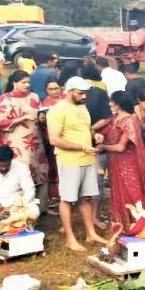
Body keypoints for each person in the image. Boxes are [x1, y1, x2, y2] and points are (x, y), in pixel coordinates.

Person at [47, 77, 107, 251]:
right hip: (69, 160)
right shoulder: (57, 110)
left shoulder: (82, 107)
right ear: (70, 91)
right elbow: (54, 139)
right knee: (67, 199)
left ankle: (91, 233)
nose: (84, 96)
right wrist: (81, 147)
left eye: (85, 93)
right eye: (80, 93)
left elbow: (85, 128)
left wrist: (94, 135)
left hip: (87, 158)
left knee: (86, 198)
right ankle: (70, 238)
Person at [0, 70, 48, 209]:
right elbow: (0, 123)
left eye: (28, 82)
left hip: (36, 140)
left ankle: (40, 206)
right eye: (23, 82)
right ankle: (18, 206)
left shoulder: (34, 97)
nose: (27, 85)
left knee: (40, 170)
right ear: (14, 83)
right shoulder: (5, 99)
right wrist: (21, 118)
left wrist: (42, 118)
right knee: (22, 172)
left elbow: (39, 114)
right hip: (16, 142)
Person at [98, 90, 145, 229]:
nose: (110, 104)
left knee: (131, 192)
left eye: (112, 101)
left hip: (128, 163)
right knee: (118, 192)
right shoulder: (115, 118)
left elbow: (121, 147)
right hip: (115, 161)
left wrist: (103, 147)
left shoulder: (130, 120)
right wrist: (100, 136)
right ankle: (122, 223)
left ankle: (137, 224)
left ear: (119, 104)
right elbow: (106, 132)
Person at [0, 144, 40, 234]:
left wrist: (16, 206)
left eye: (7, 165)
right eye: (0, 166)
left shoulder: (21, 167)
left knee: (34, 210)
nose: (4, 168)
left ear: (11, 160)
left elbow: (30, 190)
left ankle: (20, 232)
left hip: (15, 206)